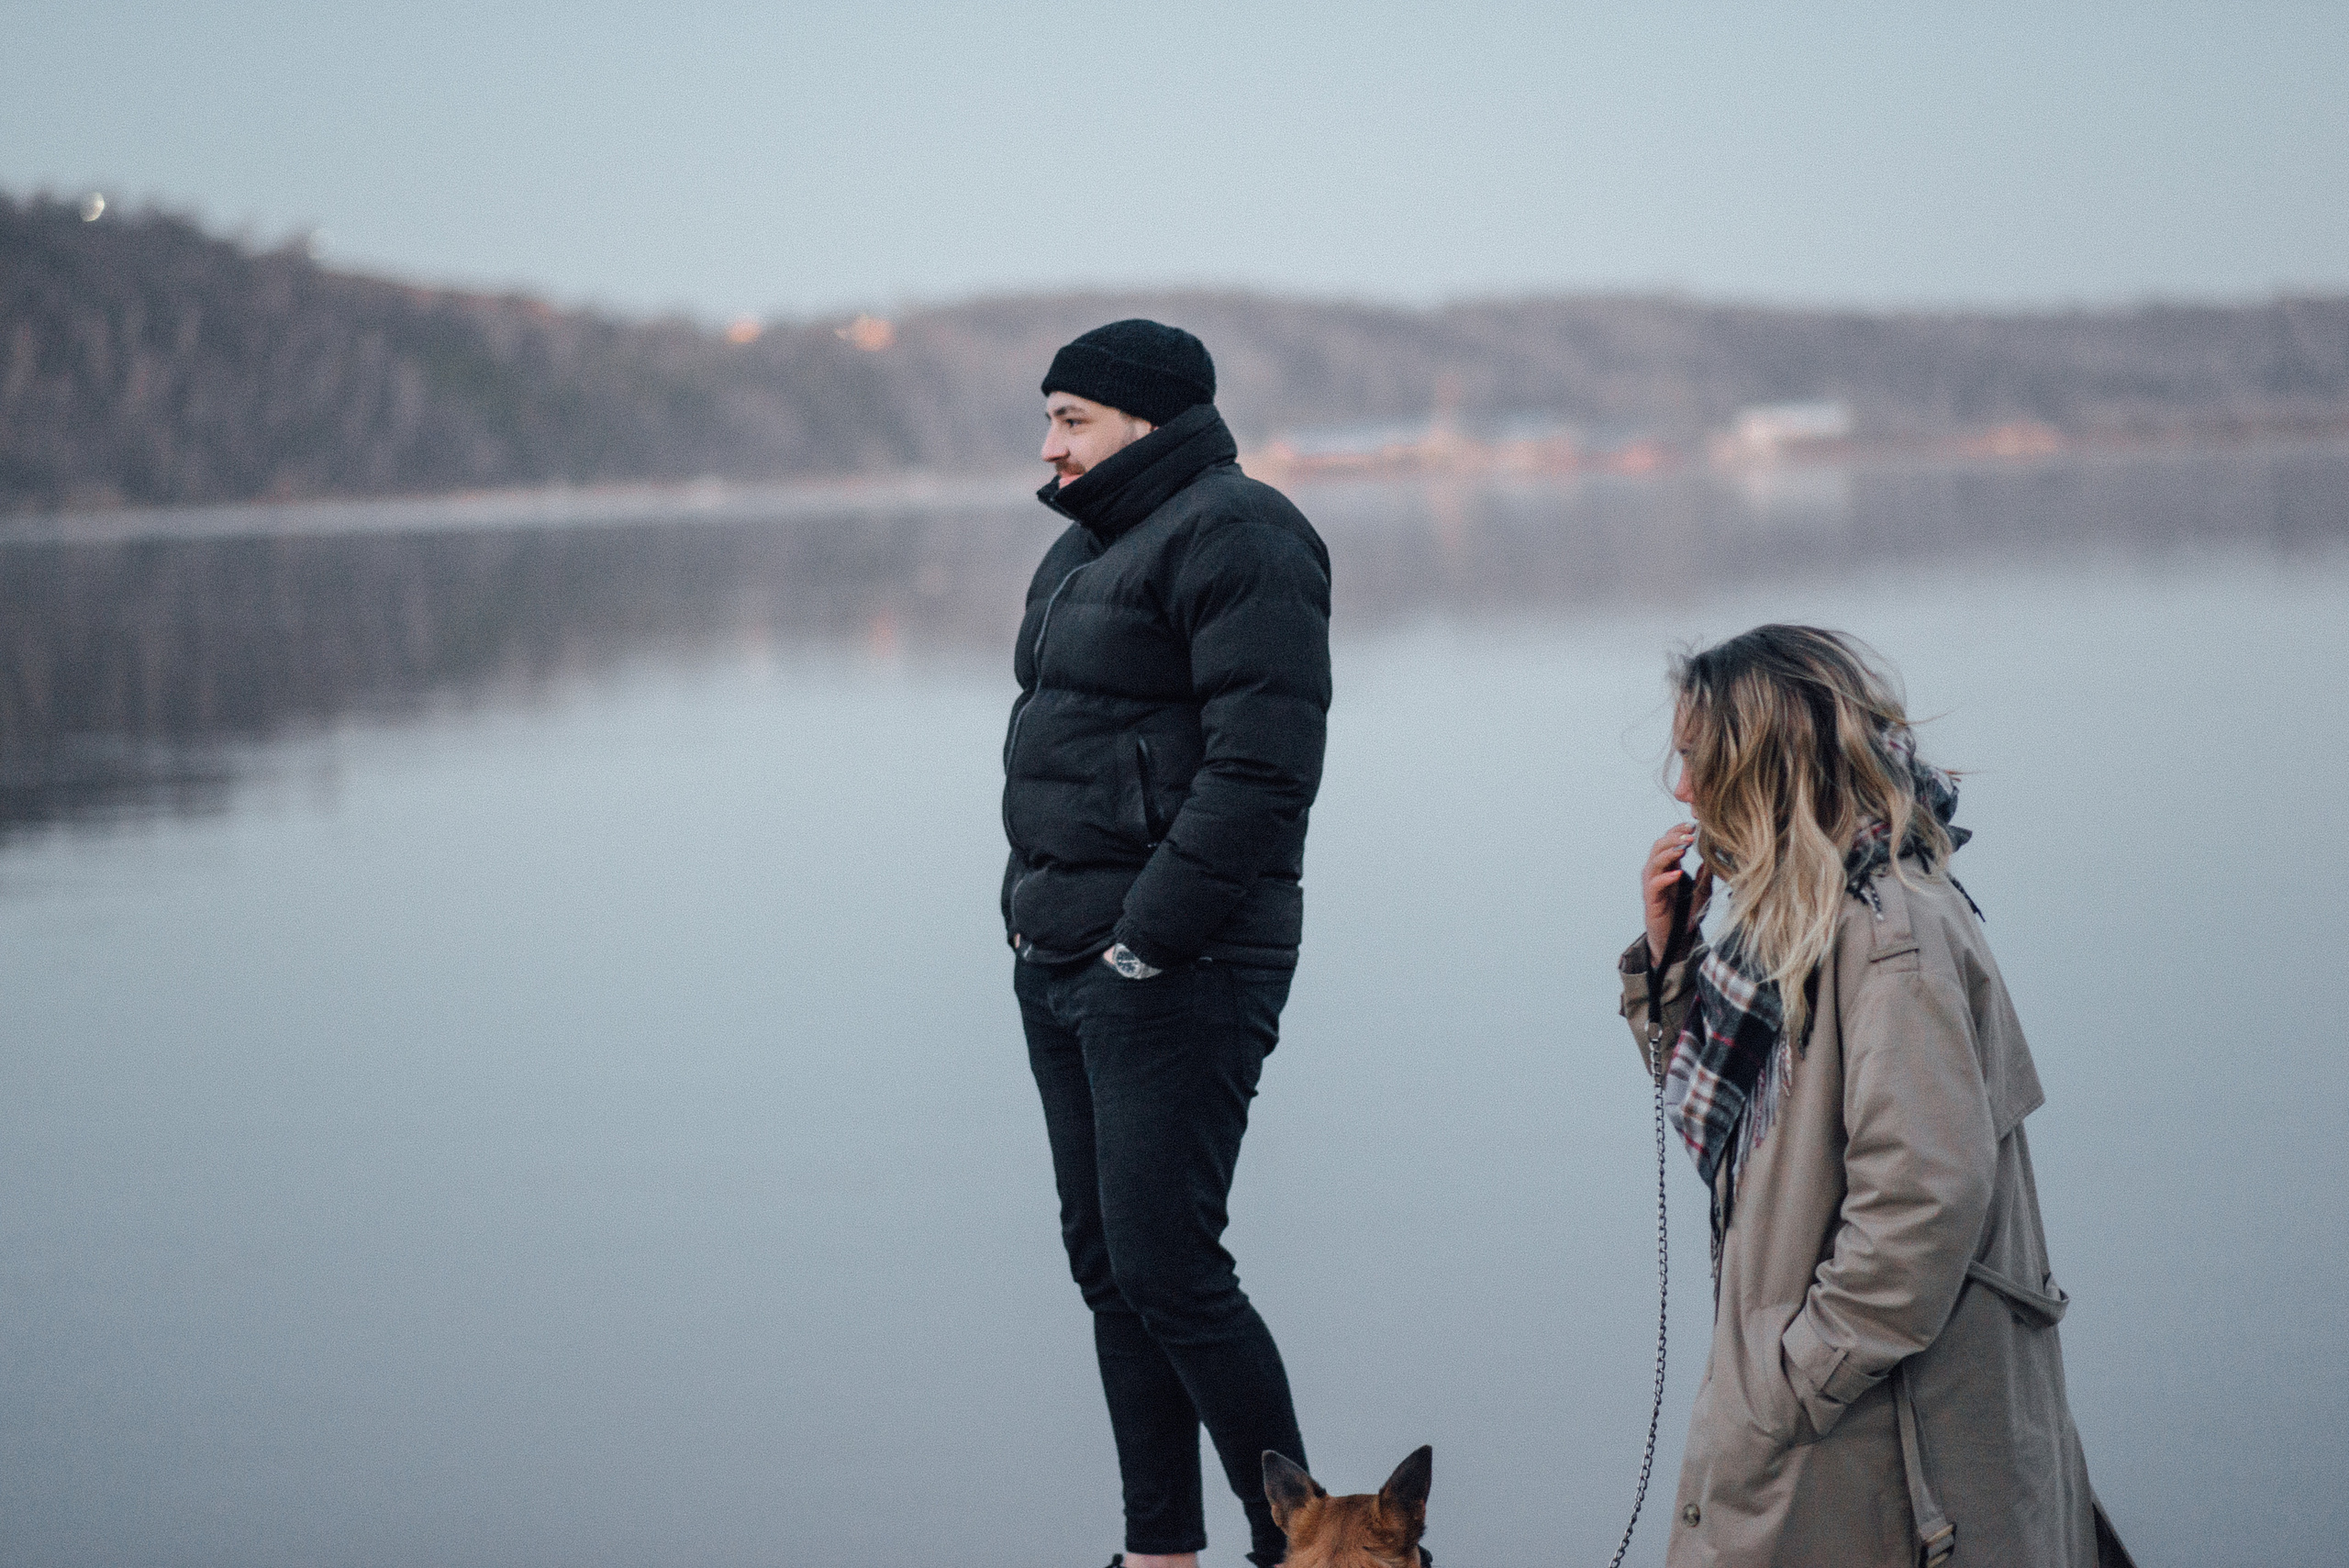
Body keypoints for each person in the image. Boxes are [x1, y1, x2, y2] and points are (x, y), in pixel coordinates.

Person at [1619, 625, 2133, 1568]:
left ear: (1763, 763)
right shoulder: (1796, 921)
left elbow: (1921, 1202)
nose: (1681, 788)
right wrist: (1669, 968)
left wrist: (1789, 1380)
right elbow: (1748, 1132)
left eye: (1695, 756)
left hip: (1886, 1456)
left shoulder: (1885, 932)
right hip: (1842, 1433)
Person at [1003, 319, 1331, 1568]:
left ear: (1146, 419)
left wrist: (1148, 939)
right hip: (1063, 958)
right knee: (1111, 1269)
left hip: (1180, 963)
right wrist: (1044, 928)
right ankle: (1159, 1551)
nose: (1049, 446)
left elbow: (1264, 769)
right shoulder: (1085, 552)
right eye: (1049, 419)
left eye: (1072, 419)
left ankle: (1300, 1549)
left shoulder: (1242, 534)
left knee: (1172, 1265)